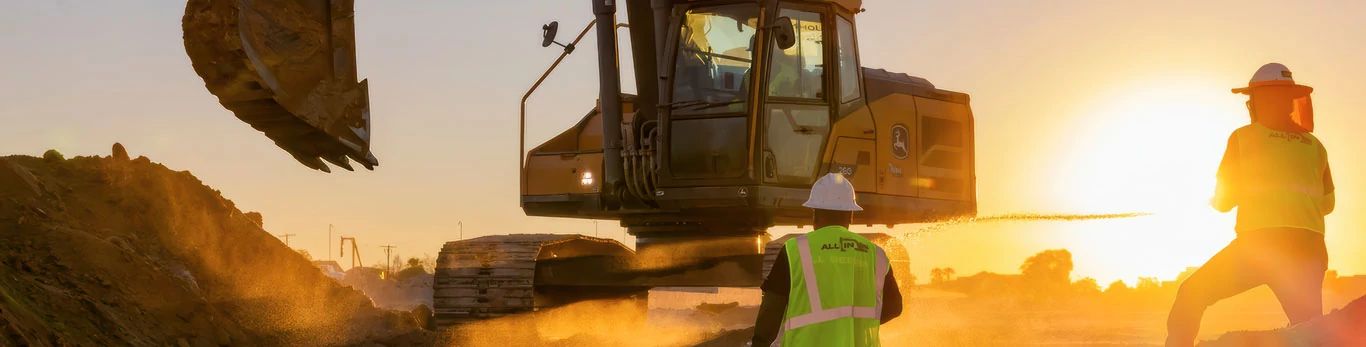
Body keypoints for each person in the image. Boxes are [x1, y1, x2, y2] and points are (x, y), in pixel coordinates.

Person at [1165, 63, 1335, 347]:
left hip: (1260, 247)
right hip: (1310, 250)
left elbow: (1223, 202)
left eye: (1251, 100)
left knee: (1190, 296)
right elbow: (1327, 204)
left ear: (1260, 101)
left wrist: (1222, 199)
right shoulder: (1316, 146)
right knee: (1311, 334)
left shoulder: (1243, 138)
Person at [752, 173, 903, 346]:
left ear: (814, 213)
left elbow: (771, 309)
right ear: (851, 215)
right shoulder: (876, 255)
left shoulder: (795, 250)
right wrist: (852, 324)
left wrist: (759, 343)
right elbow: (894, 307)